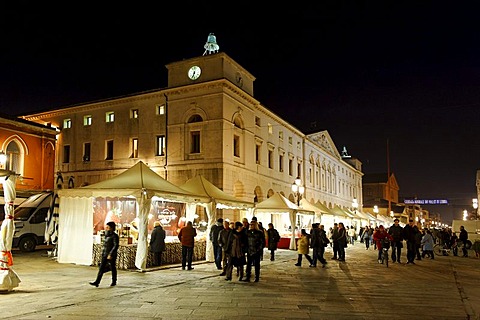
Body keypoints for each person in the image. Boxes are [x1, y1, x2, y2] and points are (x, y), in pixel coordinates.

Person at [90, 221, 119, 287]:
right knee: (101, 268)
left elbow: (115, 245)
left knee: (113, 267)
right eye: (106, 227)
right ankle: (97, 282)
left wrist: (111, 254)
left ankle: (114, 281)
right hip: (105, 253)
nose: (106, 228)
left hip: (111, 255)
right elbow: (105, 245)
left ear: (111, 228)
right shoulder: (106, 235)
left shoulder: (115, 236)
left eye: (108, 227)